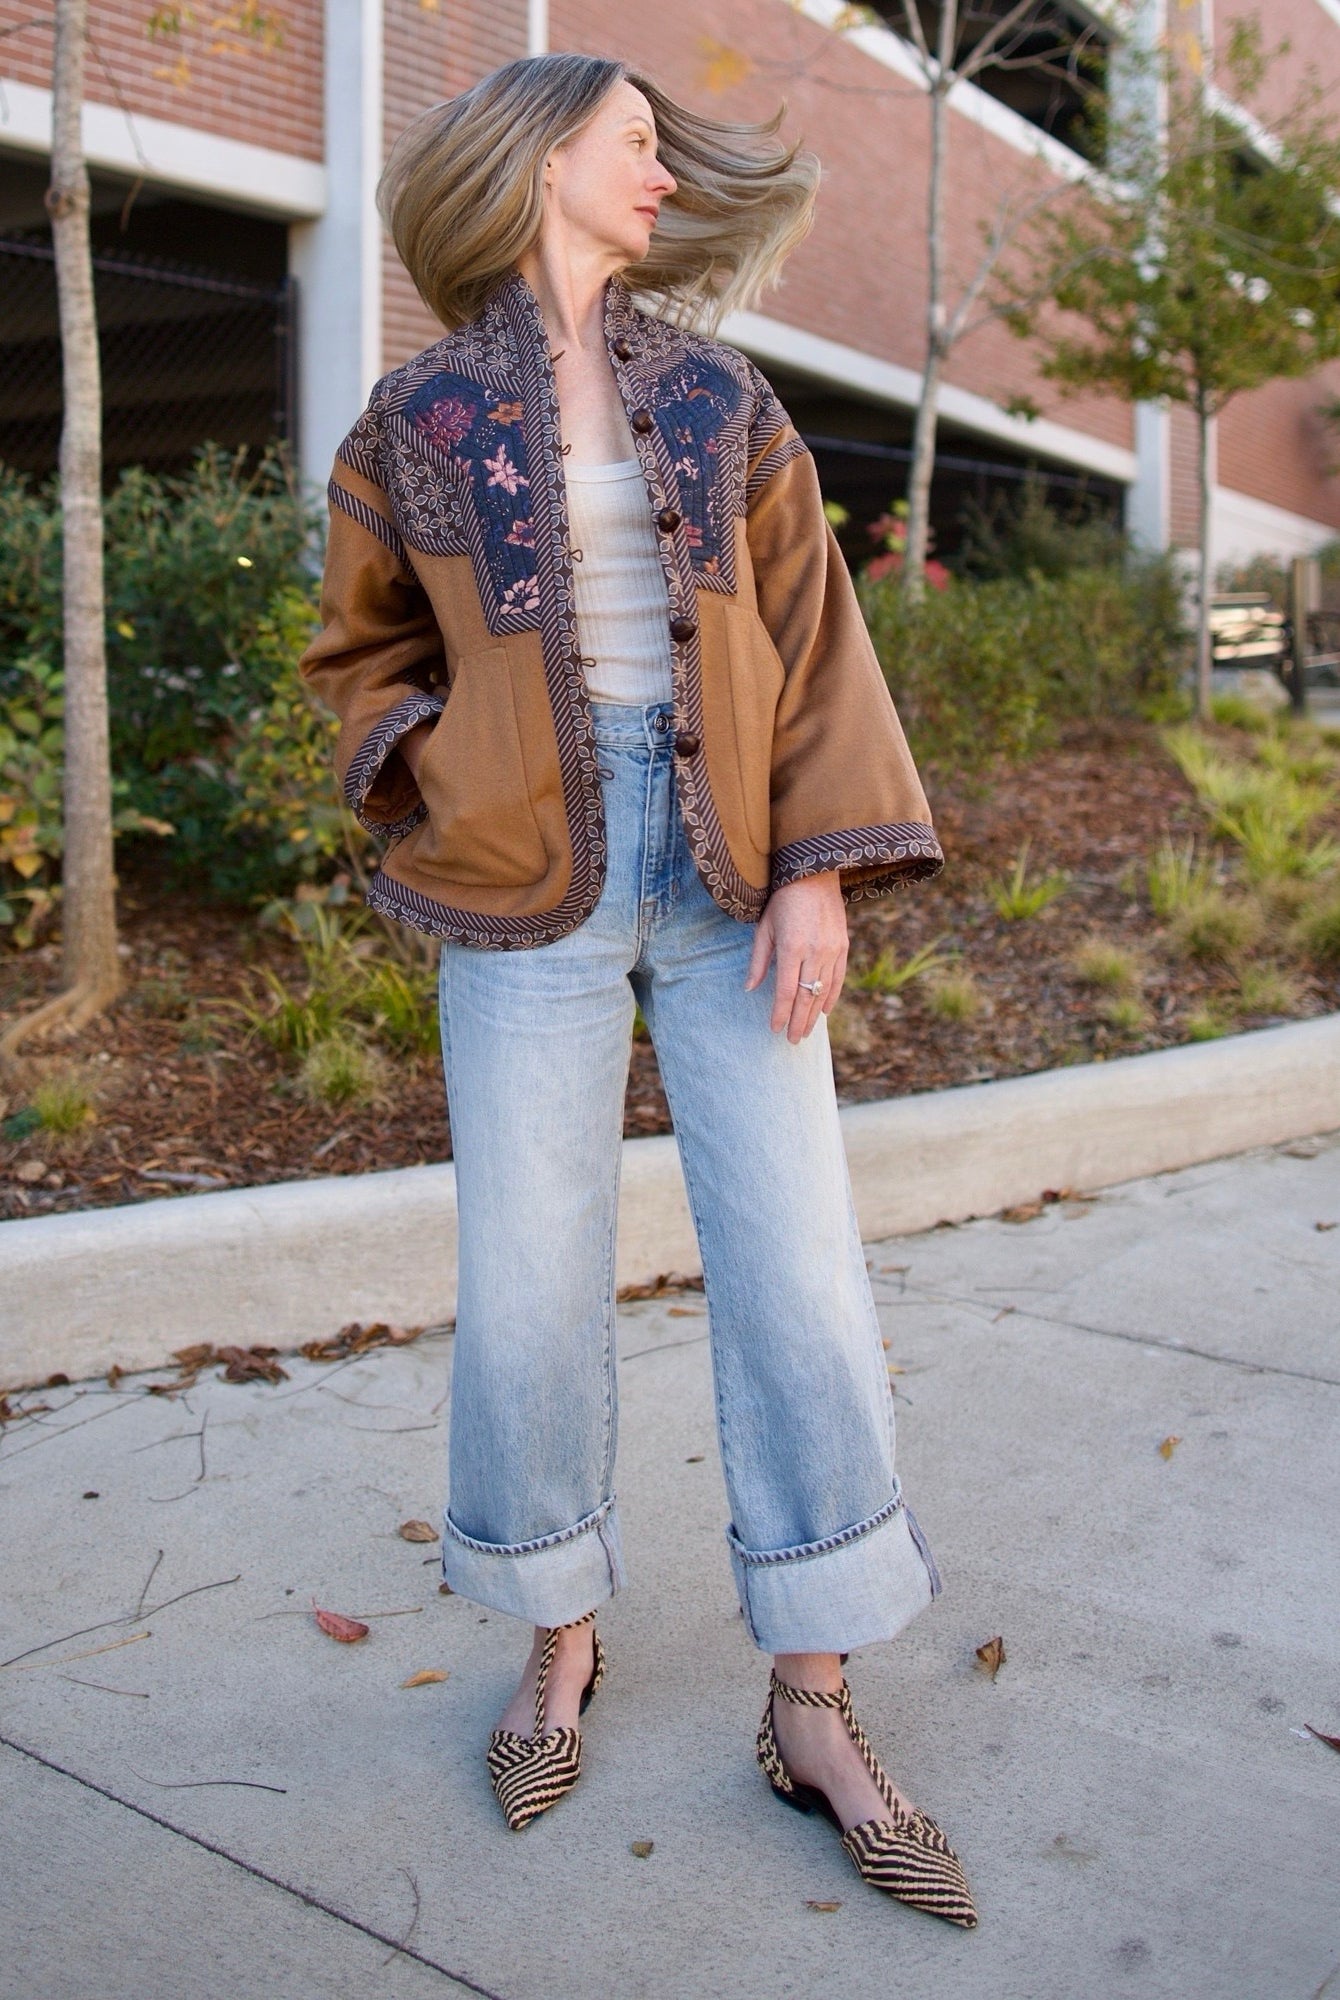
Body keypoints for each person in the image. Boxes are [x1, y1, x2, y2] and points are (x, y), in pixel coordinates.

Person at [298, 51, 976, 1930]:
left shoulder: (722, 396)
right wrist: (436, 763)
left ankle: (817, 1701)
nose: (662, 176)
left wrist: (827, 864)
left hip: (731, 879)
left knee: (807, 1288)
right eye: (633, 147)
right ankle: (557, 1641)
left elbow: (820, 640)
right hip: (525, 895)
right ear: (540, 161)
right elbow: (361, 647)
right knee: (525, 1299)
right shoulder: (414, 417)